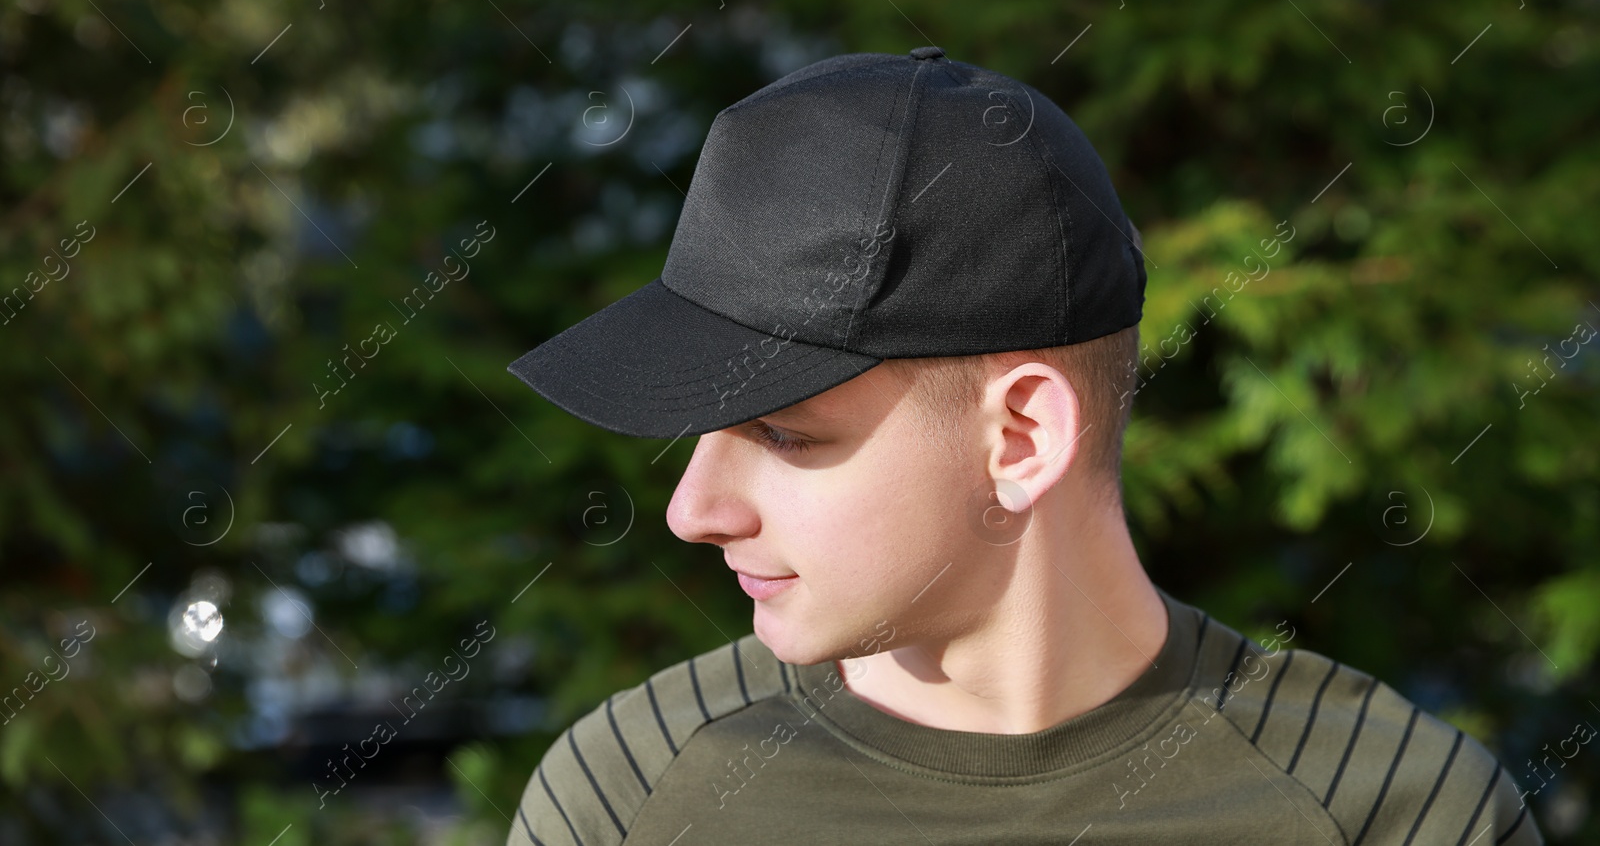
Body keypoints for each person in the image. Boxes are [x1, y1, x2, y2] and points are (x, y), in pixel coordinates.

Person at [502, 48, 1540, 845]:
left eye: (782, 429)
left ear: (1020, 434)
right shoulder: (625, 796)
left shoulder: (1394, 812)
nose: (693, 508)